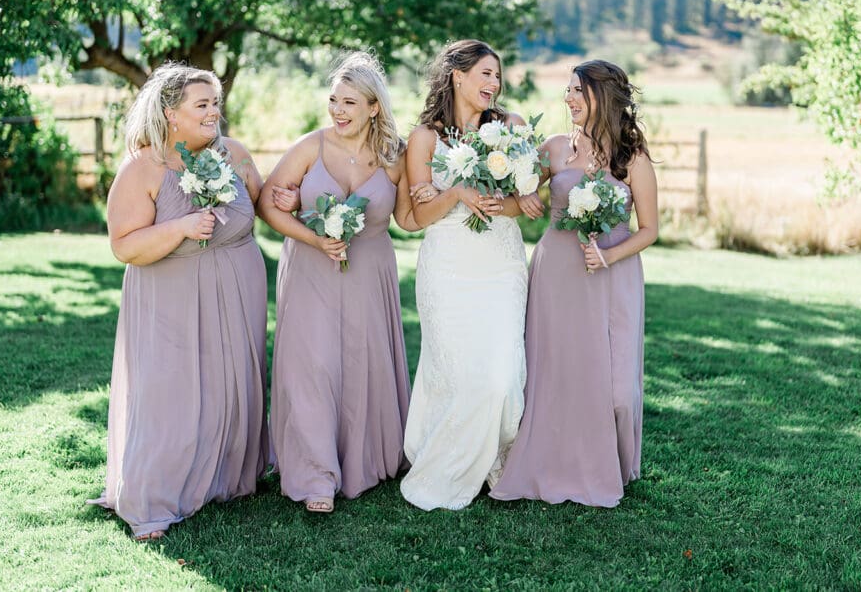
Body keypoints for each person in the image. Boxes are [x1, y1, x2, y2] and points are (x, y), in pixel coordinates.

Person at [90, 62, 268, 540]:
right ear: (171, 113)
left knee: (229, 385)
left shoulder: (235, 153)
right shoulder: (144, 167)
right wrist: (181, 227)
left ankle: (223, 479)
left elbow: (266, 202)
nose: (214, 112)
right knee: (170, 389)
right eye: (202, 104)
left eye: (216, 103)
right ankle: (153, 496)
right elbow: (124, 245)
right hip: (169, 296)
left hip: (238, 288)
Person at [258, 51, 426, 514]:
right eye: (334, 100)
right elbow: (268, 205)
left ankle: (362, 459)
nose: (338, 110)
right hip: (312, 271)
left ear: (374, 107)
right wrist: (312, 238)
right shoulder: (311, 146)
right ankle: (316, 475)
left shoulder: (394, 156)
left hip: (369, 272)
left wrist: (442, 194)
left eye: (350, 102)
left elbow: (408, 219)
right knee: (312, 367)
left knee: (360, 363)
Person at [490, 59, 657, 507]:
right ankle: (550, 459)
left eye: (578, 91)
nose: (569, 99)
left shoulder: (632, 159)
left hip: (612, 275)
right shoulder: (557, 147)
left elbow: (649, 230)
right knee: (555, 367)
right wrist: (523, 194)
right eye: (567, 91)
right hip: (556, 271)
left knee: (617, 385)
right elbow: (518, 186)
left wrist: (608, 255)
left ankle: (611, 461)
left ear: (604, 97)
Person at [400, 39, 530, 511]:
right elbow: (419, 213)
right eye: (486, 74)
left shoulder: (511, 130)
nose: (494, 84)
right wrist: (456, 192)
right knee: (453, 370)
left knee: (501, 372)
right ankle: (447, 458)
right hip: (449, 267)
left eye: (497, 76)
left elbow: (529, 203)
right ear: (457, 75)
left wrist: (505, 203)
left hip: (501, 265)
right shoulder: (424, 139)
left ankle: (497, 460)